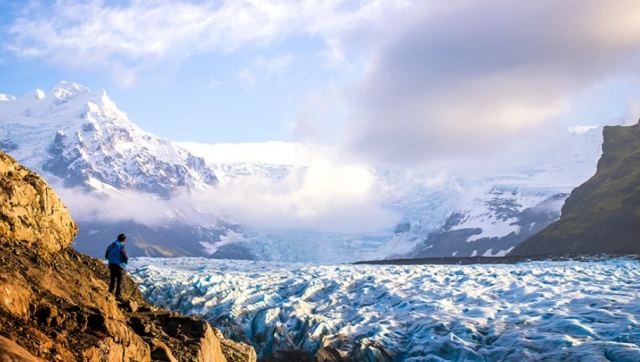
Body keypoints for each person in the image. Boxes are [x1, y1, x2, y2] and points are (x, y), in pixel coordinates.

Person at [105, 233, 129, 299]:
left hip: (111, 265)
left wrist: (112, 259)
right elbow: (125, 256)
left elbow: (106, 256)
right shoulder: (121, 246)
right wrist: (125, 261)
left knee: (112, 280)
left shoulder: (111, 245)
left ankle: (110, 293)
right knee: (119, 281)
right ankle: (118, 296)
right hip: (119, 266)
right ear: (124, 240)